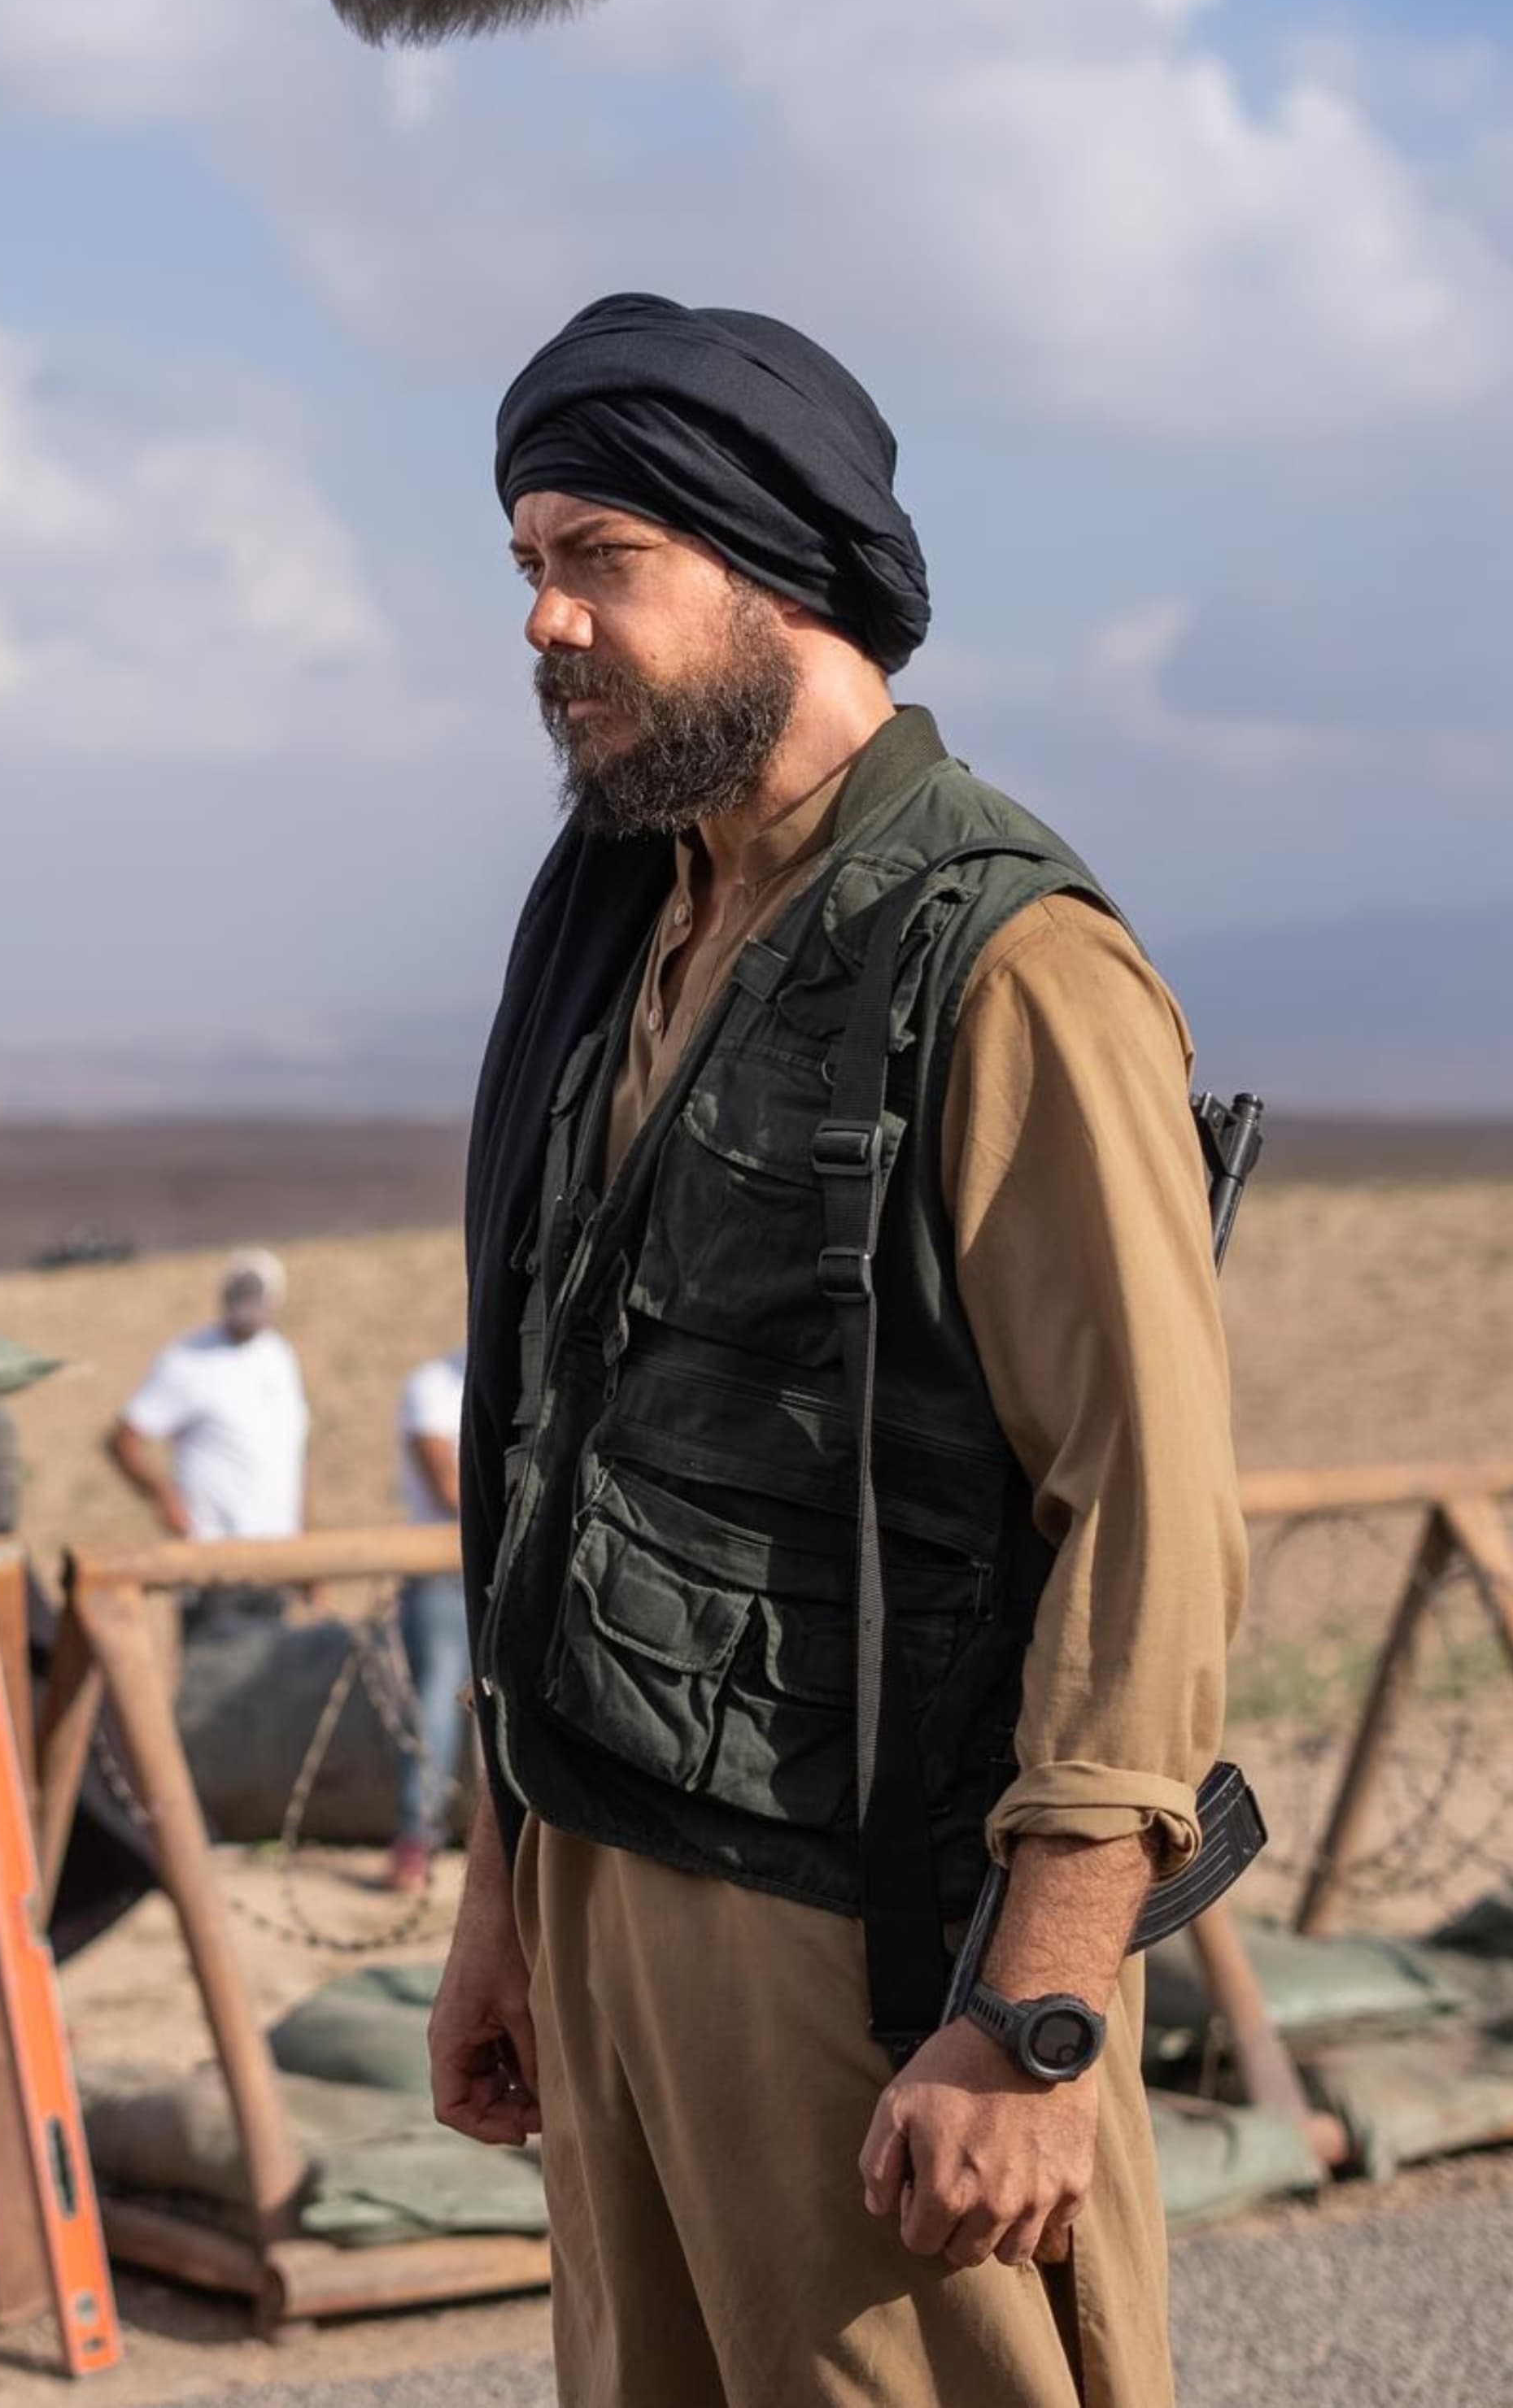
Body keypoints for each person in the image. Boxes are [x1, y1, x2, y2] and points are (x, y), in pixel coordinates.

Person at [430, 293, 1247, 2408]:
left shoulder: (1001, 958)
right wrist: (504, 1896)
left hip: (866, 1957)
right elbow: (550, 1447)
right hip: (604, 1893)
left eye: (600, 558)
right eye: (527, 562)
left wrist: (1035, 2017)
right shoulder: (630, 927)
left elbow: (1142, 1511)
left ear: (776, 567)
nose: (545, 621)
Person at [107, 1248, 308, 1547]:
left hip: (279, 1546)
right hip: (214, 1547)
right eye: (241, 1298)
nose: (248, 1311)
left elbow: (292, 1451)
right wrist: (164, 1498)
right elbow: (124, 1440)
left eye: (256, 1300)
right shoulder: (187, 1359)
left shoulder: (279, 1355)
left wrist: (304, 1528)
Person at [389, 1347, 471, 1892]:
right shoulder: (433, 1388)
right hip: (444, 1574)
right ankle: (417, 1837)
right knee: (437, 1701)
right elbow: (449, 1490)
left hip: (507, 1566)